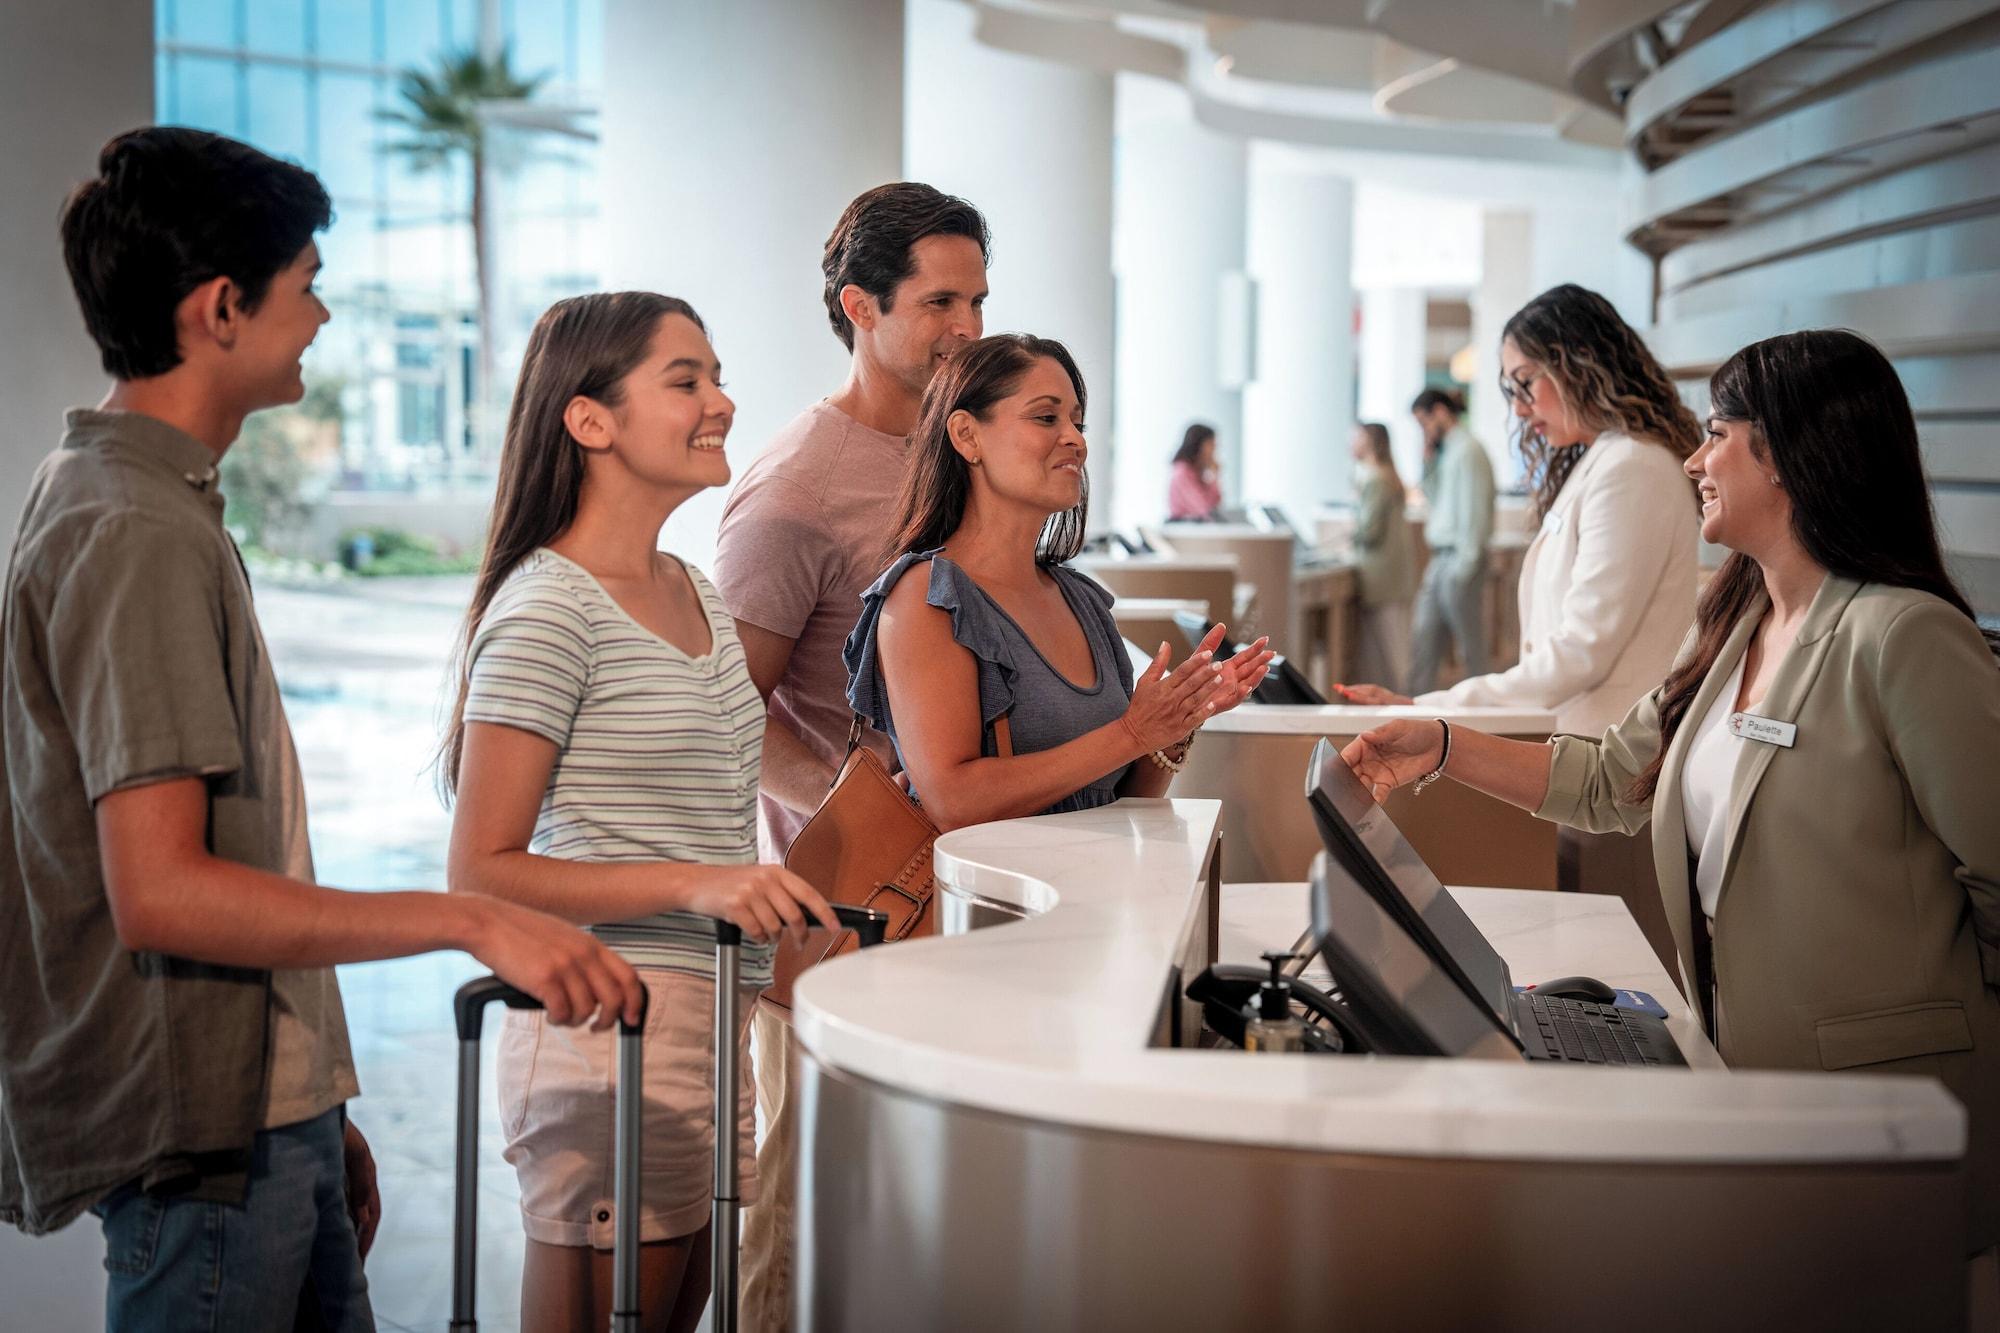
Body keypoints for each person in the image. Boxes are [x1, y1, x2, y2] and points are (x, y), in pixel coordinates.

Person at [0, 127, 642, 1329]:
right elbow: (165, 892)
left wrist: (315, 1094)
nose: (326, 317)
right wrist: (470, 916)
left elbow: (240, 864)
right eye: (307, 288)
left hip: (261, 1116)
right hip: (205, 1147)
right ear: (221, 309)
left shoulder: (145, 498)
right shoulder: (129, 525)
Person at [1343, 329, 2000, 1270]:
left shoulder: (1902, 637)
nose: (1694, 456)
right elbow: (1611, 779)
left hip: (1888, 1108)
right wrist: (1441, 744)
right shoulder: (1737, 625)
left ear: (1796, 454)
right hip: (1760, 1089)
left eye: (1719, 432)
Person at [441, 292, 838, 1332]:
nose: (721, 400)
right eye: (687, 380)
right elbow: (481, 869)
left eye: (715, 376)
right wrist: (699, 885)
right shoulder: (547, 609)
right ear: (590, 419)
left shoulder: (696, 592)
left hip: (713, 1017)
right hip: (604, 1027)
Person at [708, 181, 987, 1331]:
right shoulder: (792, 490)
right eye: (938, 302)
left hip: (953, 906)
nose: (966, 326)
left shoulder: (958, 448)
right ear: (858, 306)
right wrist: (858, 811)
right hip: (838, 914)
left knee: (908, 1229)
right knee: (798, 1218)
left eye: (976, 297)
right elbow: (731, 711)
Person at [1336, 288, 1703, 959]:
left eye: (1524, 383)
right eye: (1509, 390)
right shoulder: (1608, 461)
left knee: (1615, 978)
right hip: (1586, 764)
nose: (1520, 409)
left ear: (1579, 362)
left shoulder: (1633, 469)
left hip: (1613, 774)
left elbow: (1576, 655)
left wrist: (1430, 706)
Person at [845, 334, 1272, 830]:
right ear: (966, 436)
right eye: (1047, 418)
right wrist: (1133, 732)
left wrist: (1174, 726)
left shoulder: (1080, 599)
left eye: (1077, 421)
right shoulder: (927, 600)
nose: (1076, 439)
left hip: (1096, 893)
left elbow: (1120, 798)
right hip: (998, 903)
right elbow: (954, 802)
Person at [1403, 389, 1495, 692]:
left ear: (1440, 412)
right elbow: (1433, 497)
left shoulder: (1469, 450)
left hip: (1459, 558)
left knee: (1471, 648)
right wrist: (1427, 461)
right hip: (1439, 559)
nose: (1424, 430)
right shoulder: (1446, 452)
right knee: (1423, 642)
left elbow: (1476, 512)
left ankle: (1483, 718)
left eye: (1423, 422)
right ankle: (1414, 712)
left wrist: (1466, 566)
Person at [1348, 422, 1417, 690]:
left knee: (1388, 656)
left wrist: (1351, 533)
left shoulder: (1375, 479)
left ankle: (1401, 705)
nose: (1351, 443)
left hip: (1380, 575)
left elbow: (1368, 531)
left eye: (1356, 437)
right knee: (1394, 650)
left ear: (1370, 441)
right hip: (1395, 574)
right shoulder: (1389, 476)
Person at [1167, 422, 1223, 521]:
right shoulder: (1182, 473)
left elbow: (1215, 505)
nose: (1214, 449)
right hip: (1183, 528)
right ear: (1198, 446)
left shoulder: (1198, 473)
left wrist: (1215, 476)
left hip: (1196, 528)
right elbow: (1203, 510)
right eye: (1210, 444)